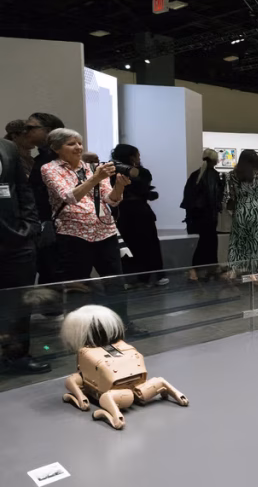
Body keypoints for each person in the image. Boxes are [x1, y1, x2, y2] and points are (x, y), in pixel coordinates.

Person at [41, 128, 137, 333]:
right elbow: (69, 197)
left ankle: (122, 325)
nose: (78, 147)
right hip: (73, 235)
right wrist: (96, 178)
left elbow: (110, 199)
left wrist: (120, 186)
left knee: (115, 283)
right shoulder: (50, 169)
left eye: (79, 143)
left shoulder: (93, 168)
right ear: (56, 148)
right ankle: (79, 330)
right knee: (77, 286)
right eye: (71, 144)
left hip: (105, 232)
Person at [0, 136, 49, 374]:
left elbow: (22, 188)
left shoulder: (7, 147)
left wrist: (30, 226)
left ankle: (18, 356)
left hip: (16, 240)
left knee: (20, 303)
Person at [110, 144, 166, 286]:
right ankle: (141, 277)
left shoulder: (140, 172)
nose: (139, 158)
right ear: (131, 157)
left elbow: (140, 188)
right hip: (131, 212)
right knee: (137, 245)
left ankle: (146, 277)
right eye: (137, 155)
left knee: (143, 244)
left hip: (130, 213)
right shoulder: (114, 172)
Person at [24, 112, 65, 284]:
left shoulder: (59, 159)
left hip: (57, 225)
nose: (26, 131)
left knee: (56, 272)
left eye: (30, 127)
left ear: (48, 130)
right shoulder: (41, 159)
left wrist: (47, 222)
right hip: (44, 223)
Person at [182, 149, 225, 282]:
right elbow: (215, 198)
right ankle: (209, 269)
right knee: (209, 244)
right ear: (215, 160)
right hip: (208, 217)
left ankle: (196, 271)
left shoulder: (195, 175)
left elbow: (188, 197)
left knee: (200, 244)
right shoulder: (214, 176)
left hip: (196, 218)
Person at [226, 149, 258, 278]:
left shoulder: (231, 175)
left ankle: (235, 271)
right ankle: (255, 275)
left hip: (240, 210)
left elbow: (229, 196)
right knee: (257, 243)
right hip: (256, 210)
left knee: (237, 243)